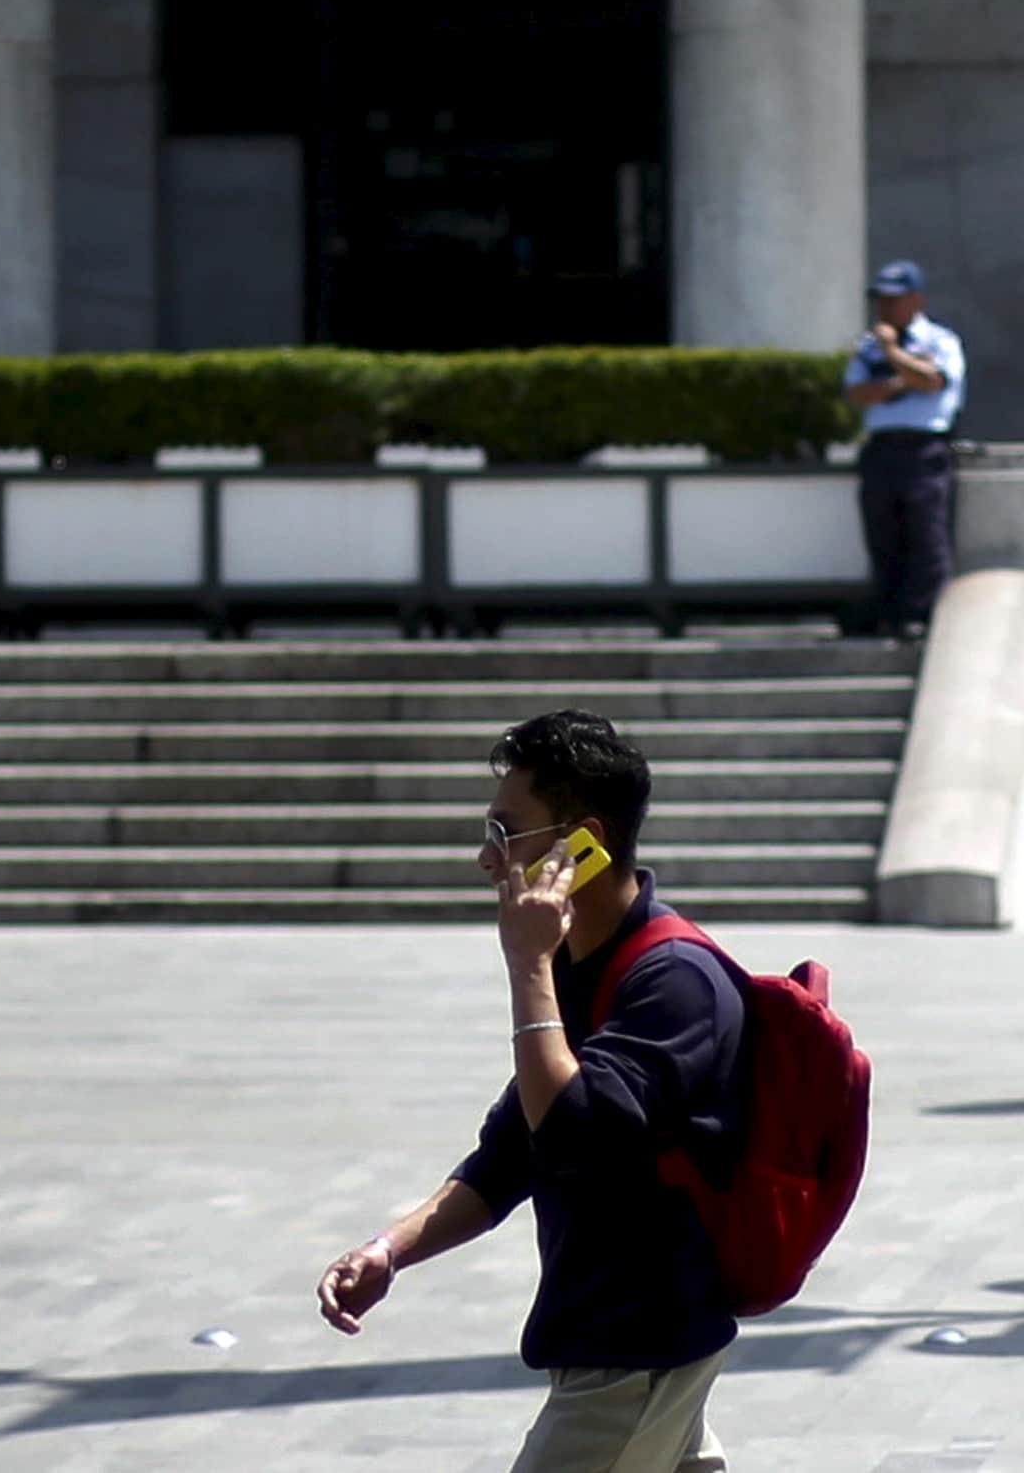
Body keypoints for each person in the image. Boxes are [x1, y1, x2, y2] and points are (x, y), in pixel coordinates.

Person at [316, 712, 752, 1473]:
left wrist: (527, 968)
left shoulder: (672, 981)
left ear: (579, 843)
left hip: (636, 1350)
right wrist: (389, 1250)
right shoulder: (585, 967)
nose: (488, 858)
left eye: (504, 831)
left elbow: (576, 1135)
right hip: (621, 1345)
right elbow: (512, 1150)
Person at [846, 258, 966, 641]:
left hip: (923, 449)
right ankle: (889, 612)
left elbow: (934, 382)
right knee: (882, 532)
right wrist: (904, 379)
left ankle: (922, 615)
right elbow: (859, 392)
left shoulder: (940, 341)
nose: (884, 308)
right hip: (882, 448)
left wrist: (894, 356)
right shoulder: (867, 348)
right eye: (880, 300)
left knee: (925, 533)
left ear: (916, 300)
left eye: (893, 299)